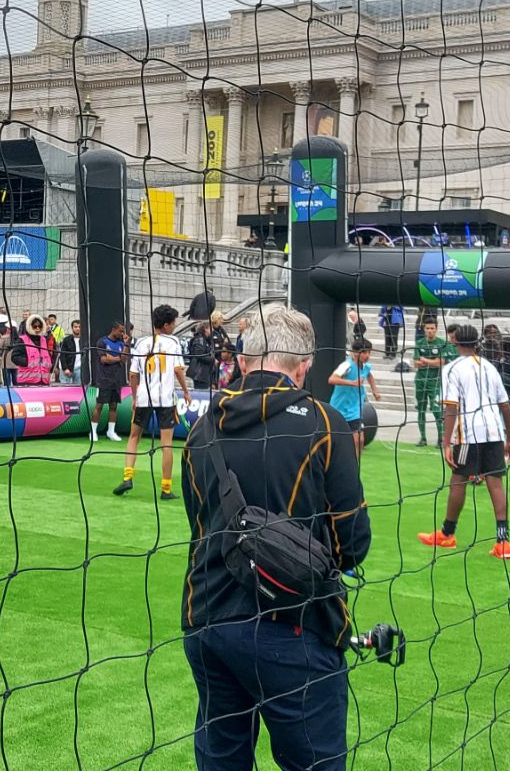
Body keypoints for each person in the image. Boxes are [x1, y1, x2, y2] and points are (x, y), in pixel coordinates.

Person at [181, 305, 371, 771]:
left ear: (243, 361)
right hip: (294, 627)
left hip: (208, 620)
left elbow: (199, 523)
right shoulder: (325, 423)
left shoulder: (200, 429)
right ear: (305, 366)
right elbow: (353, 544)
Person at [418, 324, 510, 560]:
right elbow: (505, 406)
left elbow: (451, 407)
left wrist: (446, 441)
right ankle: (503, 542)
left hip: (470, 434)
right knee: (495, 483)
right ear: (477, 343)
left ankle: (447, 534)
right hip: (494, 432)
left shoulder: (452, 369)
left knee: (458, 479)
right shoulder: (490, 367)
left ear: (454, 341)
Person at [114, 304, 190, 498]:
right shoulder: (173, 342)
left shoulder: (142, 343)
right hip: (165, 399)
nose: (174, 326)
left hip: (143, 397)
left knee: (133, 438)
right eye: (173, 323)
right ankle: (166, 489)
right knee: (166, 445)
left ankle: (127, 477)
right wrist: (186, 392)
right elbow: (178, 370)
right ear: (166, 325)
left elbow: (133, 375)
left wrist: (134, 397)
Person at [328, 337, 382, 458]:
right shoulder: (347, 365)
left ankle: (354, 468)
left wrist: (375, 390)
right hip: (339, 408)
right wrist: (352, 383)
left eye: (369, 352)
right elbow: (331, 379)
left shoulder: (366, 366)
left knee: (360, 440)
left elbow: (369, 375)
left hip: (355, 410)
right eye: (364, 352)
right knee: (338, 441)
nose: (367, 355)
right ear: (355, 353)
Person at [413, 317, 450, 447]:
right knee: (421, 410)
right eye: (427, 328)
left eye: (432, 328)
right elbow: (416, 363)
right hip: (420, 381)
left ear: (436, 329)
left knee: (436, 410)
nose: (430, 331)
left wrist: (425, 360)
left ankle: (441, 439)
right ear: (424, 329)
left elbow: (441, 363)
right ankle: (423, 438)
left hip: (435, 382)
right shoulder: (419, 343)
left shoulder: (442, 343)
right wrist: (432, 361)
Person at [91, 322, 128, 442]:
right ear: (114, 329)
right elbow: (104, 360)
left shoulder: (122, 344)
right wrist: (118, 358)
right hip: (103, 379)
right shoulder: (102, 342)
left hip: (116, 380)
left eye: (123, 332)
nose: (122, 334)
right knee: (99, 405)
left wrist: (126, 345)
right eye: (120, 331)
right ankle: (93, 432)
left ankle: (111, 432)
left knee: (114, 406)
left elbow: (125, 359)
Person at [12, 314, 56, 386]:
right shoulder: (22, 340)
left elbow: (49, 355)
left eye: (40, 326)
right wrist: (27, 362)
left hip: (44, 381)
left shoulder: (44, 340)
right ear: (30, 326)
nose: (37, 328)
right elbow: (15, 357)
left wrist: (51, 365)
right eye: (35, 326)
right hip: (26, 381)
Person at [186, 322, 217, 391]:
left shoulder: (205, 340)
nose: (213, 331)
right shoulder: (200, 340)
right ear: (206, 329)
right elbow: (198, 355)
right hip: (200, 374)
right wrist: (212, 359)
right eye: (211, 328)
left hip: (204, 374)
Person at [57, 320, 83, 385]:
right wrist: (65, 368)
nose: (78, 328)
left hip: (79, 369)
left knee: (78, 390)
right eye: (76, 327)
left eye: (79, 327)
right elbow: (62, 355)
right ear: (72, 328)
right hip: (67, 368)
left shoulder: (84, 340)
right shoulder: (66, 340)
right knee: (64, 390)